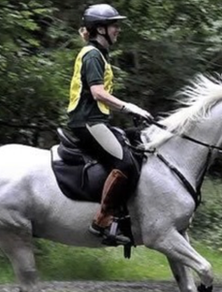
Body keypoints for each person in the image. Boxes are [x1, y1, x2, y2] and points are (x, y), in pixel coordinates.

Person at [66, 3, 153, 246]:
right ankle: (102, 221)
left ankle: (122, 216)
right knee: (125, 163)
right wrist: (129, 107)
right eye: (114, 25)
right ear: (100, 29)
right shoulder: (93, 55)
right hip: (87, 122)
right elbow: (97, 93)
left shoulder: (99, 54)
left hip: (95, 120)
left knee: (134, 144)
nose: (118, 30)